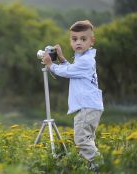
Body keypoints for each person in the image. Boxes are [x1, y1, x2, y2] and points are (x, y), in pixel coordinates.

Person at [42, 20, 104, 172]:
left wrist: (51, 65)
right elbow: (72, 69)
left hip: (87, 107)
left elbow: (67, 72)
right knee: (87, 139)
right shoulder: (82, 58)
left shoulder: (86, 60)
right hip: (90, 106)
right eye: (74, 39)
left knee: (82, 140)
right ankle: (94, 167)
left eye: (83, 39)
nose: (78, 42)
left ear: (91, 41)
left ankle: (100, 167)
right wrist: (62, 59)